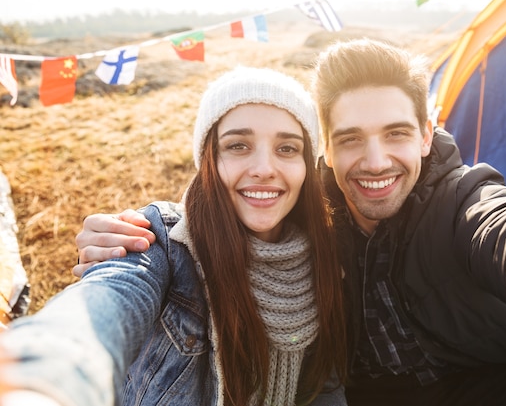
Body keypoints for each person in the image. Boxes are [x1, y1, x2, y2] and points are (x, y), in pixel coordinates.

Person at [74, 39, 506, 406]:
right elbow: (223, 210)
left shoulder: (462, 205)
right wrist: (125, 240)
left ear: (427, 135)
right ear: (326, 154)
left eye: (396, 133)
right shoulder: (306, 227)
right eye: (350, 139)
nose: (376, 160)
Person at [0, 67, 348, 406]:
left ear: (307, 165)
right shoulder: (161, 240)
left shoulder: (322, 258)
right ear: (209, 158)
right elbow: (108, 300)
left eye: (287, 149)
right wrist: (42, 378)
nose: (264, 168)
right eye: (238, 146)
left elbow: (322, 386)